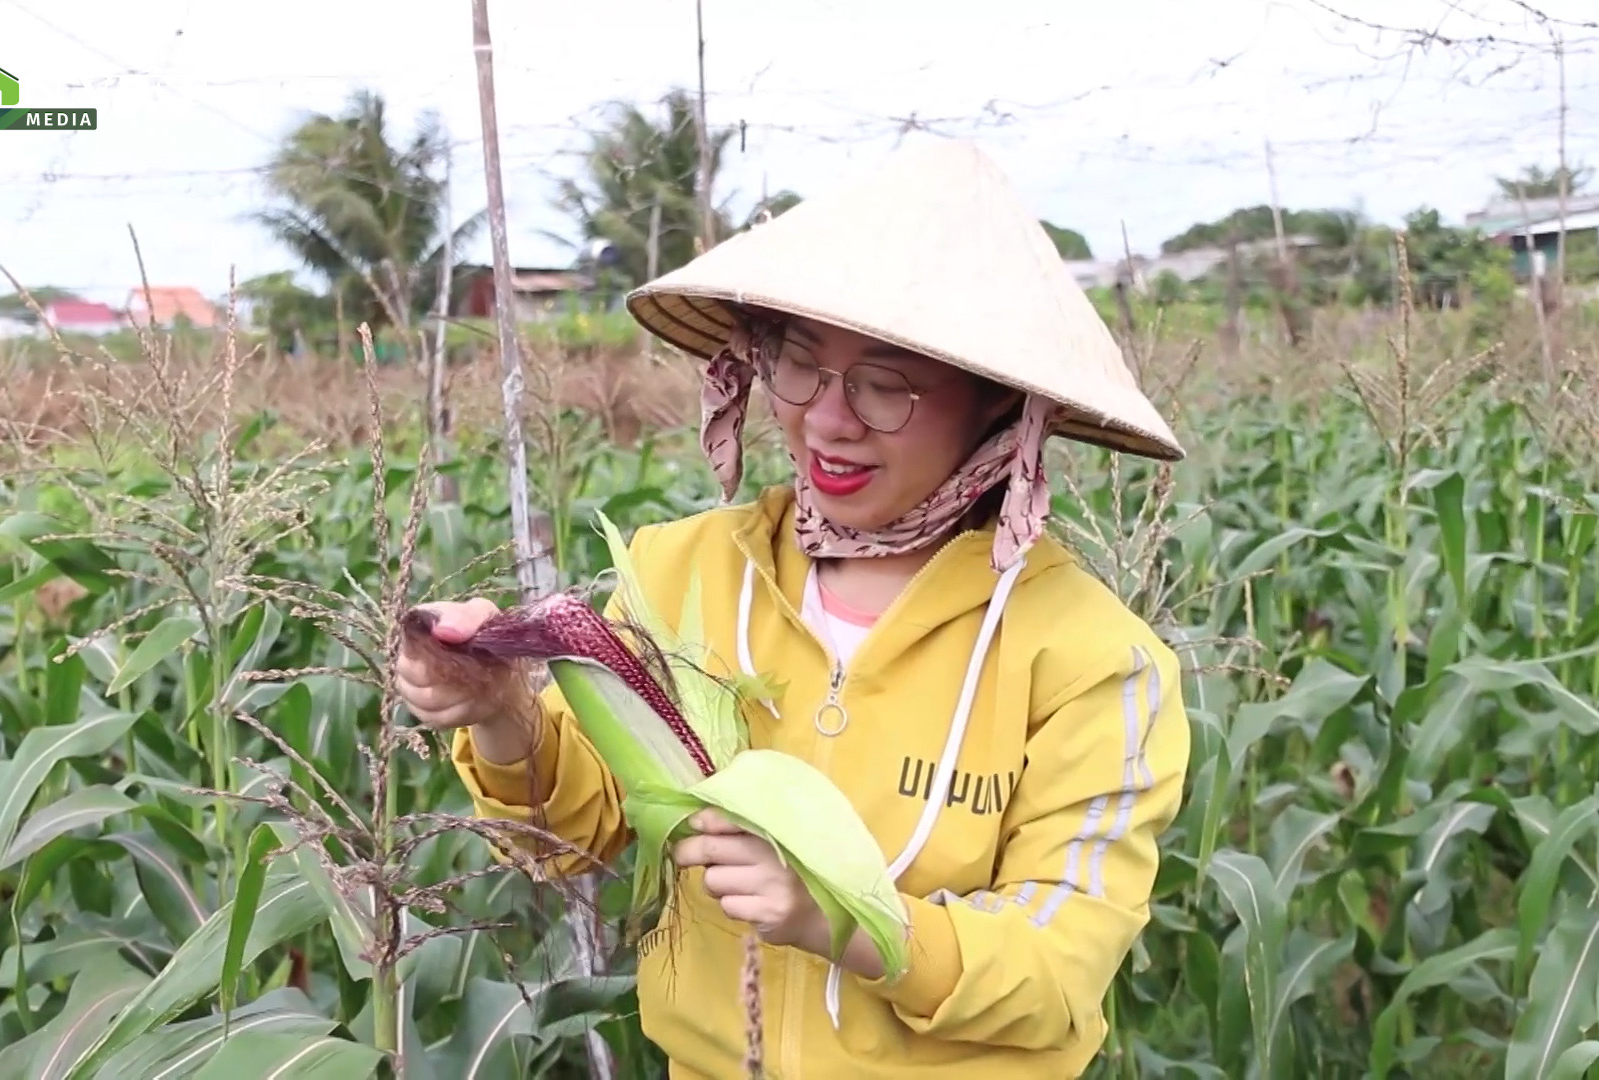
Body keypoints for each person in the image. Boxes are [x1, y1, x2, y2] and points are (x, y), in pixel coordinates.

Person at [396, 137, 1191, 1079]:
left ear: (999, 408)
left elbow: (1058, 966)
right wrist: (501, 713)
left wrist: (841, 921)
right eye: (801, 366)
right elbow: (580, 826)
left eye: (887, 385)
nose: (827, 417)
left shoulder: (1094, 660)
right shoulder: (684, 571)